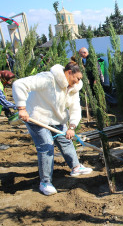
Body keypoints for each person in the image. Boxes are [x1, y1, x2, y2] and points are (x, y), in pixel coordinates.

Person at [12, 61, 93, 196]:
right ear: (69, 73)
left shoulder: (74, 88)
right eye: (77, 78)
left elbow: (75, 107)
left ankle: (76, 167)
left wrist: (72, 126)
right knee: (46, 146)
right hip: (37, 117)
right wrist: (21, 108)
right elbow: (18, 84)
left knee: (66, 141)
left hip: (57, 118)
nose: (79, 81)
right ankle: (45, 182)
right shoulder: (48, 79)